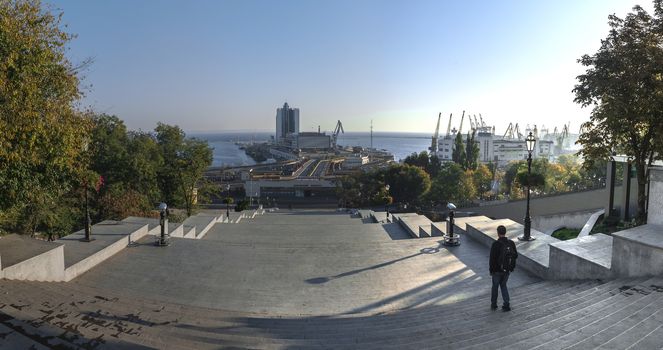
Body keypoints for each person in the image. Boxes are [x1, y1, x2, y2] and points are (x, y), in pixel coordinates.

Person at [489, 225, 518, 311]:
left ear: (498, 233)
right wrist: (511, 267)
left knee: (495, 287)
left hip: (497, 271)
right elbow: (515, 255)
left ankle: (494, 305)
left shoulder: (495, 244)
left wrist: (491, 270)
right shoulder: (511, 243)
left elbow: (492, 259)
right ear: (505, 232)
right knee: (503, 285)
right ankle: (506, 304)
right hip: (506, 270)